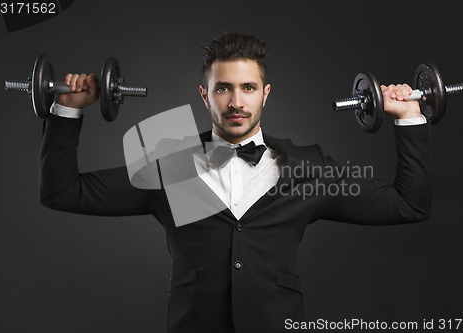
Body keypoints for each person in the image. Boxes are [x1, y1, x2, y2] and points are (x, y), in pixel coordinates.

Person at [39, 32, 432, 333]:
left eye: (247, 88)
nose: (236, 102)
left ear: (266, 93)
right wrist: (67, 109)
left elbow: (407, 205)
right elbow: (62, 192)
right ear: (204, 96)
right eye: (223, 88)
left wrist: (409, 116)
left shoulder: (308, 168)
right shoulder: (167, 165)